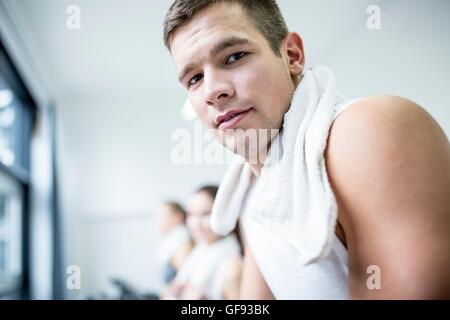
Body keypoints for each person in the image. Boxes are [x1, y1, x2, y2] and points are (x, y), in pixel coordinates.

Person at [162, 0, 450, 299]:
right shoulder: (253, 190)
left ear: (292, 55)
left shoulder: (368, 128)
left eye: (234, 57)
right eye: (194, 78)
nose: (211, 91)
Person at [162, 186, 242, 300]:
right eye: (191, 214)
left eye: (205, 214)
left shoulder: (232, 268)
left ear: (224, 214)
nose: (196, 223)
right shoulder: (199, 250)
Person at [156, 201, 193, 287]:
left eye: (163, 217)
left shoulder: (181, 237)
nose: (159, 221)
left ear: (178, 217)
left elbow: (185, 274)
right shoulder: (174, 237)